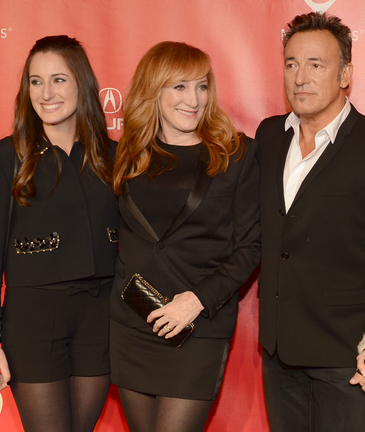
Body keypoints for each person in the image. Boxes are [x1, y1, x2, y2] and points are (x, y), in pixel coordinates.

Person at [255, 12, 365, 431]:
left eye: (315, 64)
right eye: (291, 63)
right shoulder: (270, 136)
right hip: (277, 352)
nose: (300, 77)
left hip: (344, 356)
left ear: (345, 74)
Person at [0, 35, 119, 432]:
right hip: (34, 320)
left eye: (58, 80)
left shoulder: (115, 155)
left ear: (81, 85)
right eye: (36, 81)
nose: (46, 93)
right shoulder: (3, 158)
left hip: (99, 318)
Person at [108, 41, 261, 432]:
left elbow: (250, 248)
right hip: (132, 325)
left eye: (202, 86)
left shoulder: (235, 154)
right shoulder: (129, 154)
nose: (193, 99)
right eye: (179, 86)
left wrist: (196, 301)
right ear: (153, 91)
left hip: (197, 327)